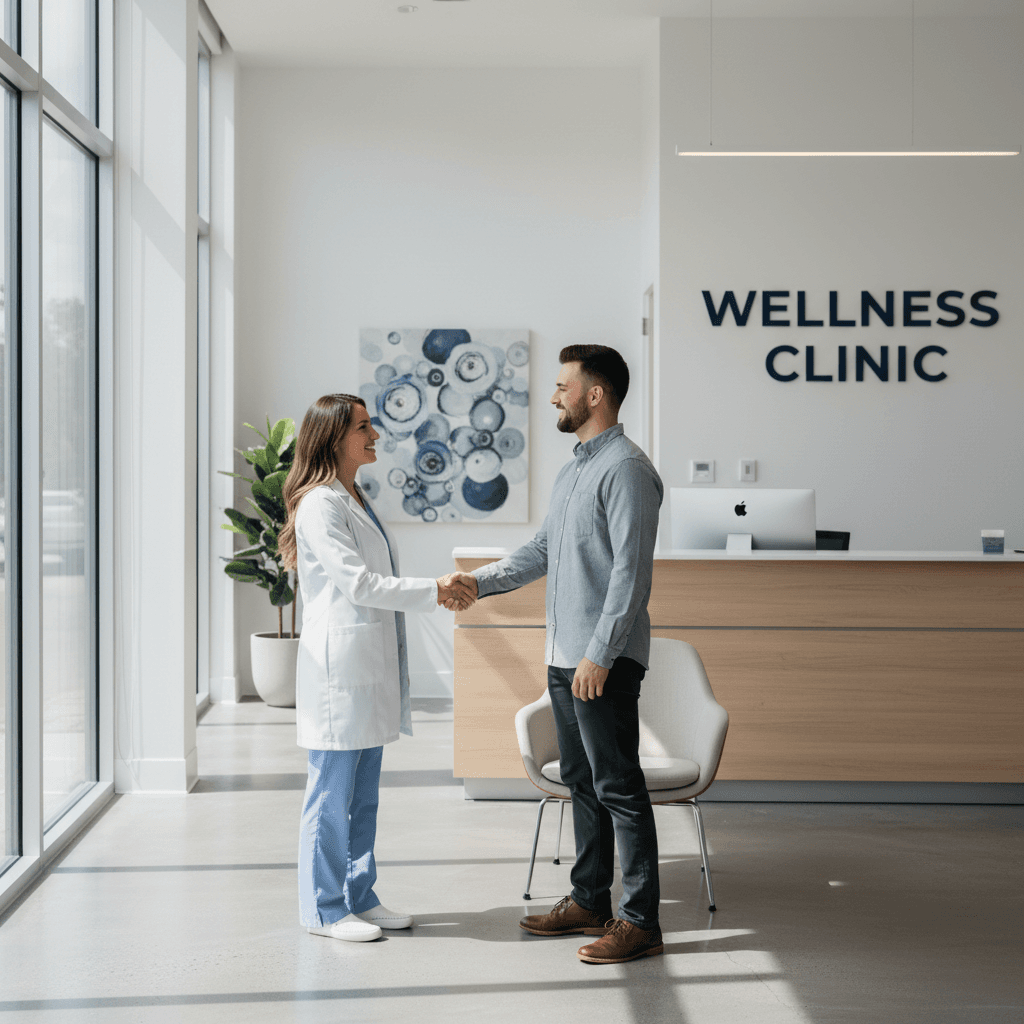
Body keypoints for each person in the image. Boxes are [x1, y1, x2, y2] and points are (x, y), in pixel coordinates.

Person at [459, 345, 664, 965]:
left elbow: (631, 575)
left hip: (600, 659)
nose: (553, 396)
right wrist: (478, 581)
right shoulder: (575, 468)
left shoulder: (627, 468)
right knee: (581, 782)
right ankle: (589, 900)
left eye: (561, 386)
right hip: (563, 654)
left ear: (594, 395)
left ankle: (640, 921)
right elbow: (542, 548)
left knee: (619, 785)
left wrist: (600, 655)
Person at [279, 393, 475, 942]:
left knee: (362, 798)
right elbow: (359, 584)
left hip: (362, 669)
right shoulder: (320, 503)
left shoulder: (351, 496)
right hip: (338, 674)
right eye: (364, 427)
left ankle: (359, 897)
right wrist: (434, 589)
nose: (376, 435)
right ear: (333, 436)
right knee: (329, 798)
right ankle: (322, 910)